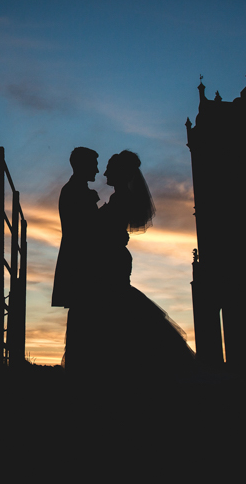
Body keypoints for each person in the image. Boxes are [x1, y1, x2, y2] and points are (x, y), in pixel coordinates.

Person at [99, 150, 195, 378]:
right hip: (114, 258)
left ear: (120, 174)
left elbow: (108, 229)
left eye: (109, 169)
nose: (104, 173)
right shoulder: (119, 198)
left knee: (118, 315)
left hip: (113, 260)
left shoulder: (120, 199)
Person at [52, 147, 101, 373]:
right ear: (83, 166)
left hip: (79, 264)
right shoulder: (74, 192)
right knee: (83, 319)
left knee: (84, 319)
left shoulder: (77, 190)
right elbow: (86, 232)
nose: (98, 170)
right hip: (80, 266)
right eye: (94, 165)